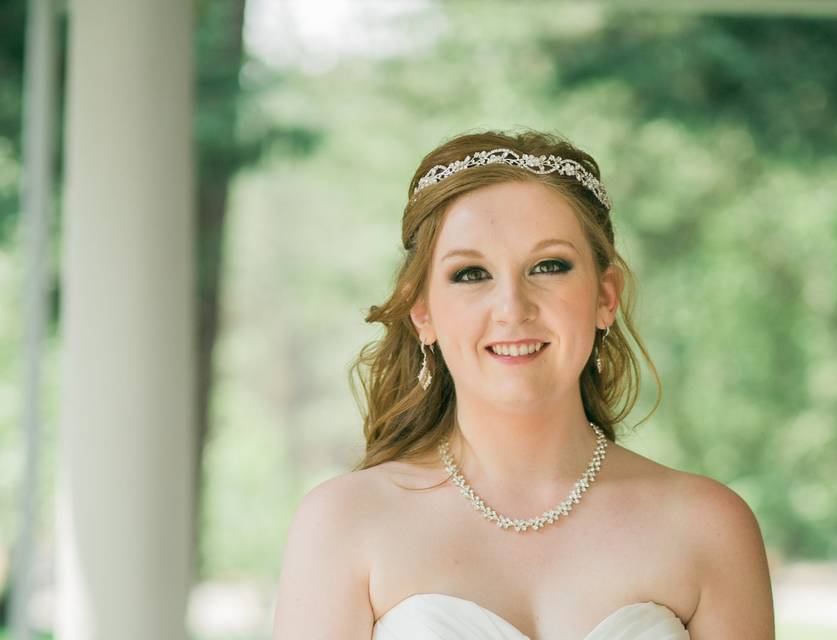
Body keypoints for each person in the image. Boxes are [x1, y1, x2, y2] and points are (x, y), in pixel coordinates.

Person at [272, 129, 776, 639]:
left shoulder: (709, 528)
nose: (513, 308)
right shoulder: (343, 524)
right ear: (422, 312)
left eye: (549, 266)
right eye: (471, 274)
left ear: (605, 297)